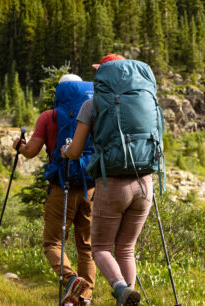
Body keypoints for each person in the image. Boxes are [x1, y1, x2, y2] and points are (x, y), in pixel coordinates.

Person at [61, 54, 154, 305]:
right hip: (145, 183)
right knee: (126, 249)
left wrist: (65, 150)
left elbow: (76, 151)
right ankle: (127, 298)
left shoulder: (92, 104)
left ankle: (121, 289)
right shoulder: (145, 99)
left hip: (113, 183)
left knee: (101, 248)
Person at [13, 74, 95, 306]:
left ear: (59, 92)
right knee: (86, 247)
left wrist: (20, 147)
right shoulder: (92, 112)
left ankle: (71, 281)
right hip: (90, 186)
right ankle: (85, 298)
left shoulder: (49, 116)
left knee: (52, 243)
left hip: (62, 185)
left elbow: (31, 151)